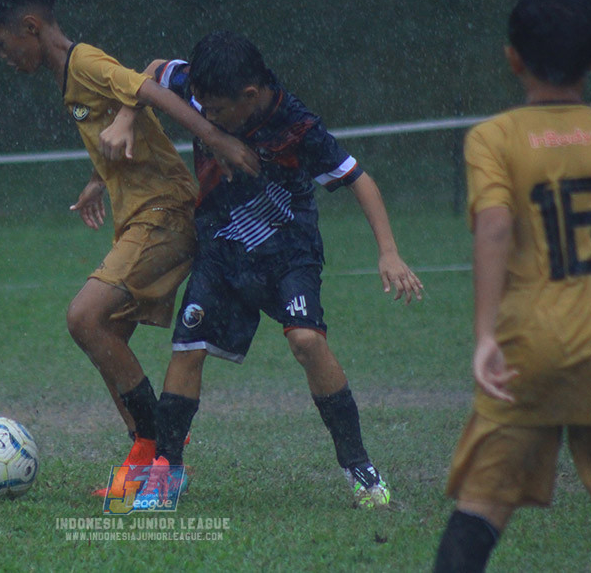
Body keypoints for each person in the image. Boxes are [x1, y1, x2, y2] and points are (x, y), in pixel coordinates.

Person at [0, 0, 260, 493]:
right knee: (108, 338)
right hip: (140, 214)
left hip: (165, 213)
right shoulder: (70, 78)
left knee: (85, 318)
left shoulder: (83, 63)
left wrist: (216, 141)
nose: (3, 56)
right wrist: (97, 180)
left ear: (30, 27)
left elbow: (152, 90)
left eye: (1, 42)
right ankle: (149, 455)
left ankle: (156, 449)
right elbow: (120, 119)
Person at [120, 30, 423, 508]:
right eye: (200, 105)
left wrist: (388, 251)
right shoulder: (204, 92)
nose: (205, 115)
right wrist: (139, 126)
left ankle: (359, 466)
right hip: (221, 250)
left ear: (251, 96)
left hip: (288, 255)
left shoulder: (298, 125)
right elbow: (152, 71)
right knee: (188, 348)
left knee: (306, 342)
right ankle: (167, 470)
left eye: (215, 110)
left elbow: (358, 179)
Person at [433, 0, 591, 571]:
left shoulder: (493, 138)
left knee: (481, 508)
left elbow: (495, 227)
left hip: (530, 349)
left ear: (512, 58)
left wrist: (484, 336)